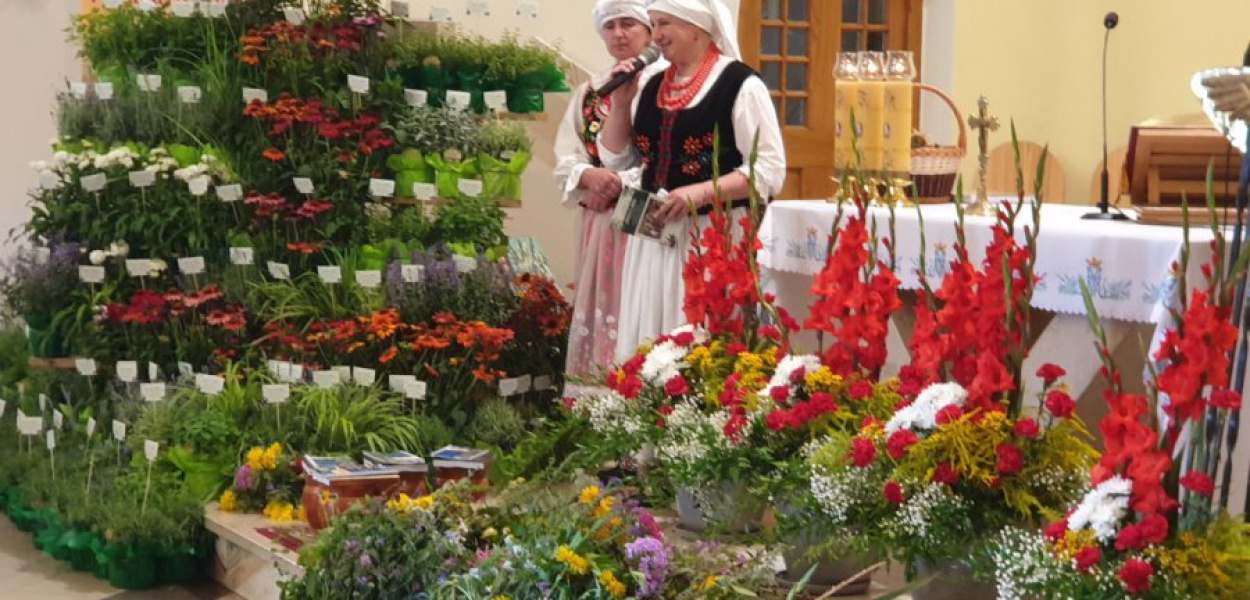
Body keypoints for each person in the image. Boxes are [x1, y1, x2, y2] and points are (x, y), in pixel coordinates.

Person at [597, 0, 786, 361]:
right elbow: (616, 157)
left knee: (701, 337)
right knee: (651, 334)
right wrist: (621, 101)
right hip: (653, 234)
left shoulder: (741, 85)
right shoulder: (651, 84)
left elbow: (769, 169)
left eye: (664, 24)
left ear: (697, 27)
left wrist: (699, 193)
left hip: (713, 234)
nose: (657, 37)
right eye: (653, 25)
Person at [553, 0, 656, 377]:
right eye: (611, 26)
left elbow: (667, 159)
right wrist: (585, 176)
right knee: (603, 308)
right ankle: (596, 394)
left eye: (629, 23)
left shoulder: (665, 86)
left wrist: (615, 184)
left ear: (649, 31)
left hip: (649, 223)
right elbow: (566, 155)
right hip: (600, 226)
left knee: (641, 308)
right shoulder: (591, 92)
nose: (619, 34)